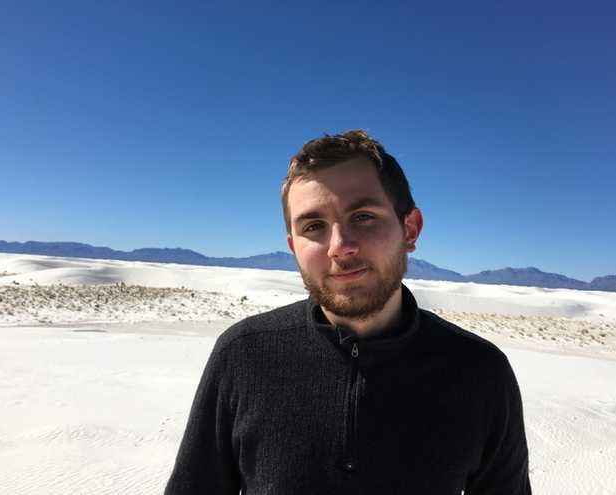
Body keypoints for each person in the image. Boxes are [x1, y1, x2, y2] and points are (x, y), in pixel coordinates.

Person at [165, 130, 532, 494]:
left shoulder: (480, 372)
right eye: (313, 227)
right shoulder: (243, 355)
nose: (340, 247)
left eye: (363, 217)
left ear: (410, 229)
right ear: (293, 247)